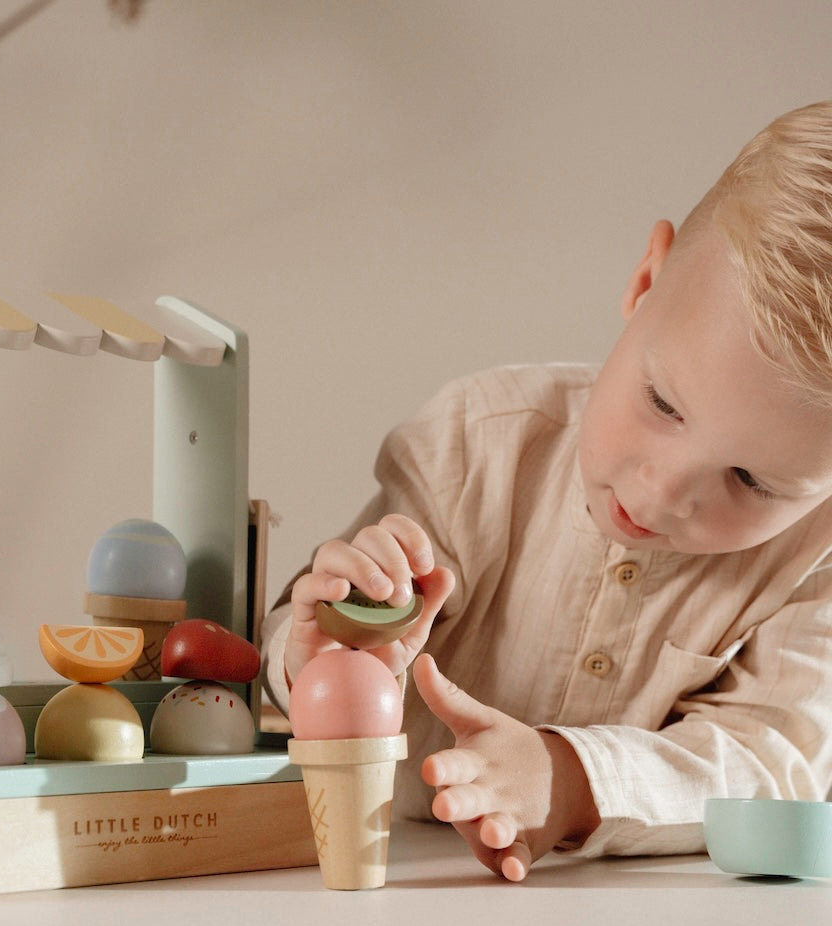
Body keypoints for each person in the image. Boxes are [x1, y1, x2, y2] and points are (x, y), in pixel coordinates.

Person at [262, 100, 832, 882]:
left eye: (752, 480)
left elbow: (775, 758)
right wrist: (321, 654)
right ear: (645, 282)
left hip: (636, 920)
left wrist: (569, 781)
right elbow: (287, 661)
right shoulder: (479, 445)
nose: (663, 492)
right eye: (664, 403)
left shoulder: (817, 557)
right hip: (386, 872)